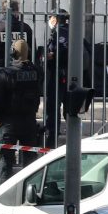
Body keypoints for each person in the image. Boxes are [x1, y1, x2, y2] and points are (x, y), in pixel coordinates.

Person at [0, 39, 43, 185]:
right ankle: (31, 191)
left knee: (5, 161)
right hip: (29, 121)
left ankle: (4, 193)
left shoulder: (6, 74)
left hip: (8, 122)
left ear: (13, 53)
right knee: (30, 162)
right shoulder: (36, 71)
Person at [44, 9, 69, 148]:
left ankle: (51, 140)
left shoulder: (60, 32)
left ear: (56, 19)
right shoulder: (72, 30)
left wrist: (50, 56)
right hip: (69, 74)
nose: (50, 20)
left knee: (53, 108)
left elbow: (59, 52)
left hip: (59, 74)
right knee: (70, 109)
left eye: (51, 17)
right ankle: (72, 135)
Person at [0, 0, 34, 70]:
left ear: (3, 12)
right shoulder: (26, 28)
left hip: (0, 70)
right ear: (17, 12)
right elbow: (33, 51)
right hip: (21, 69)